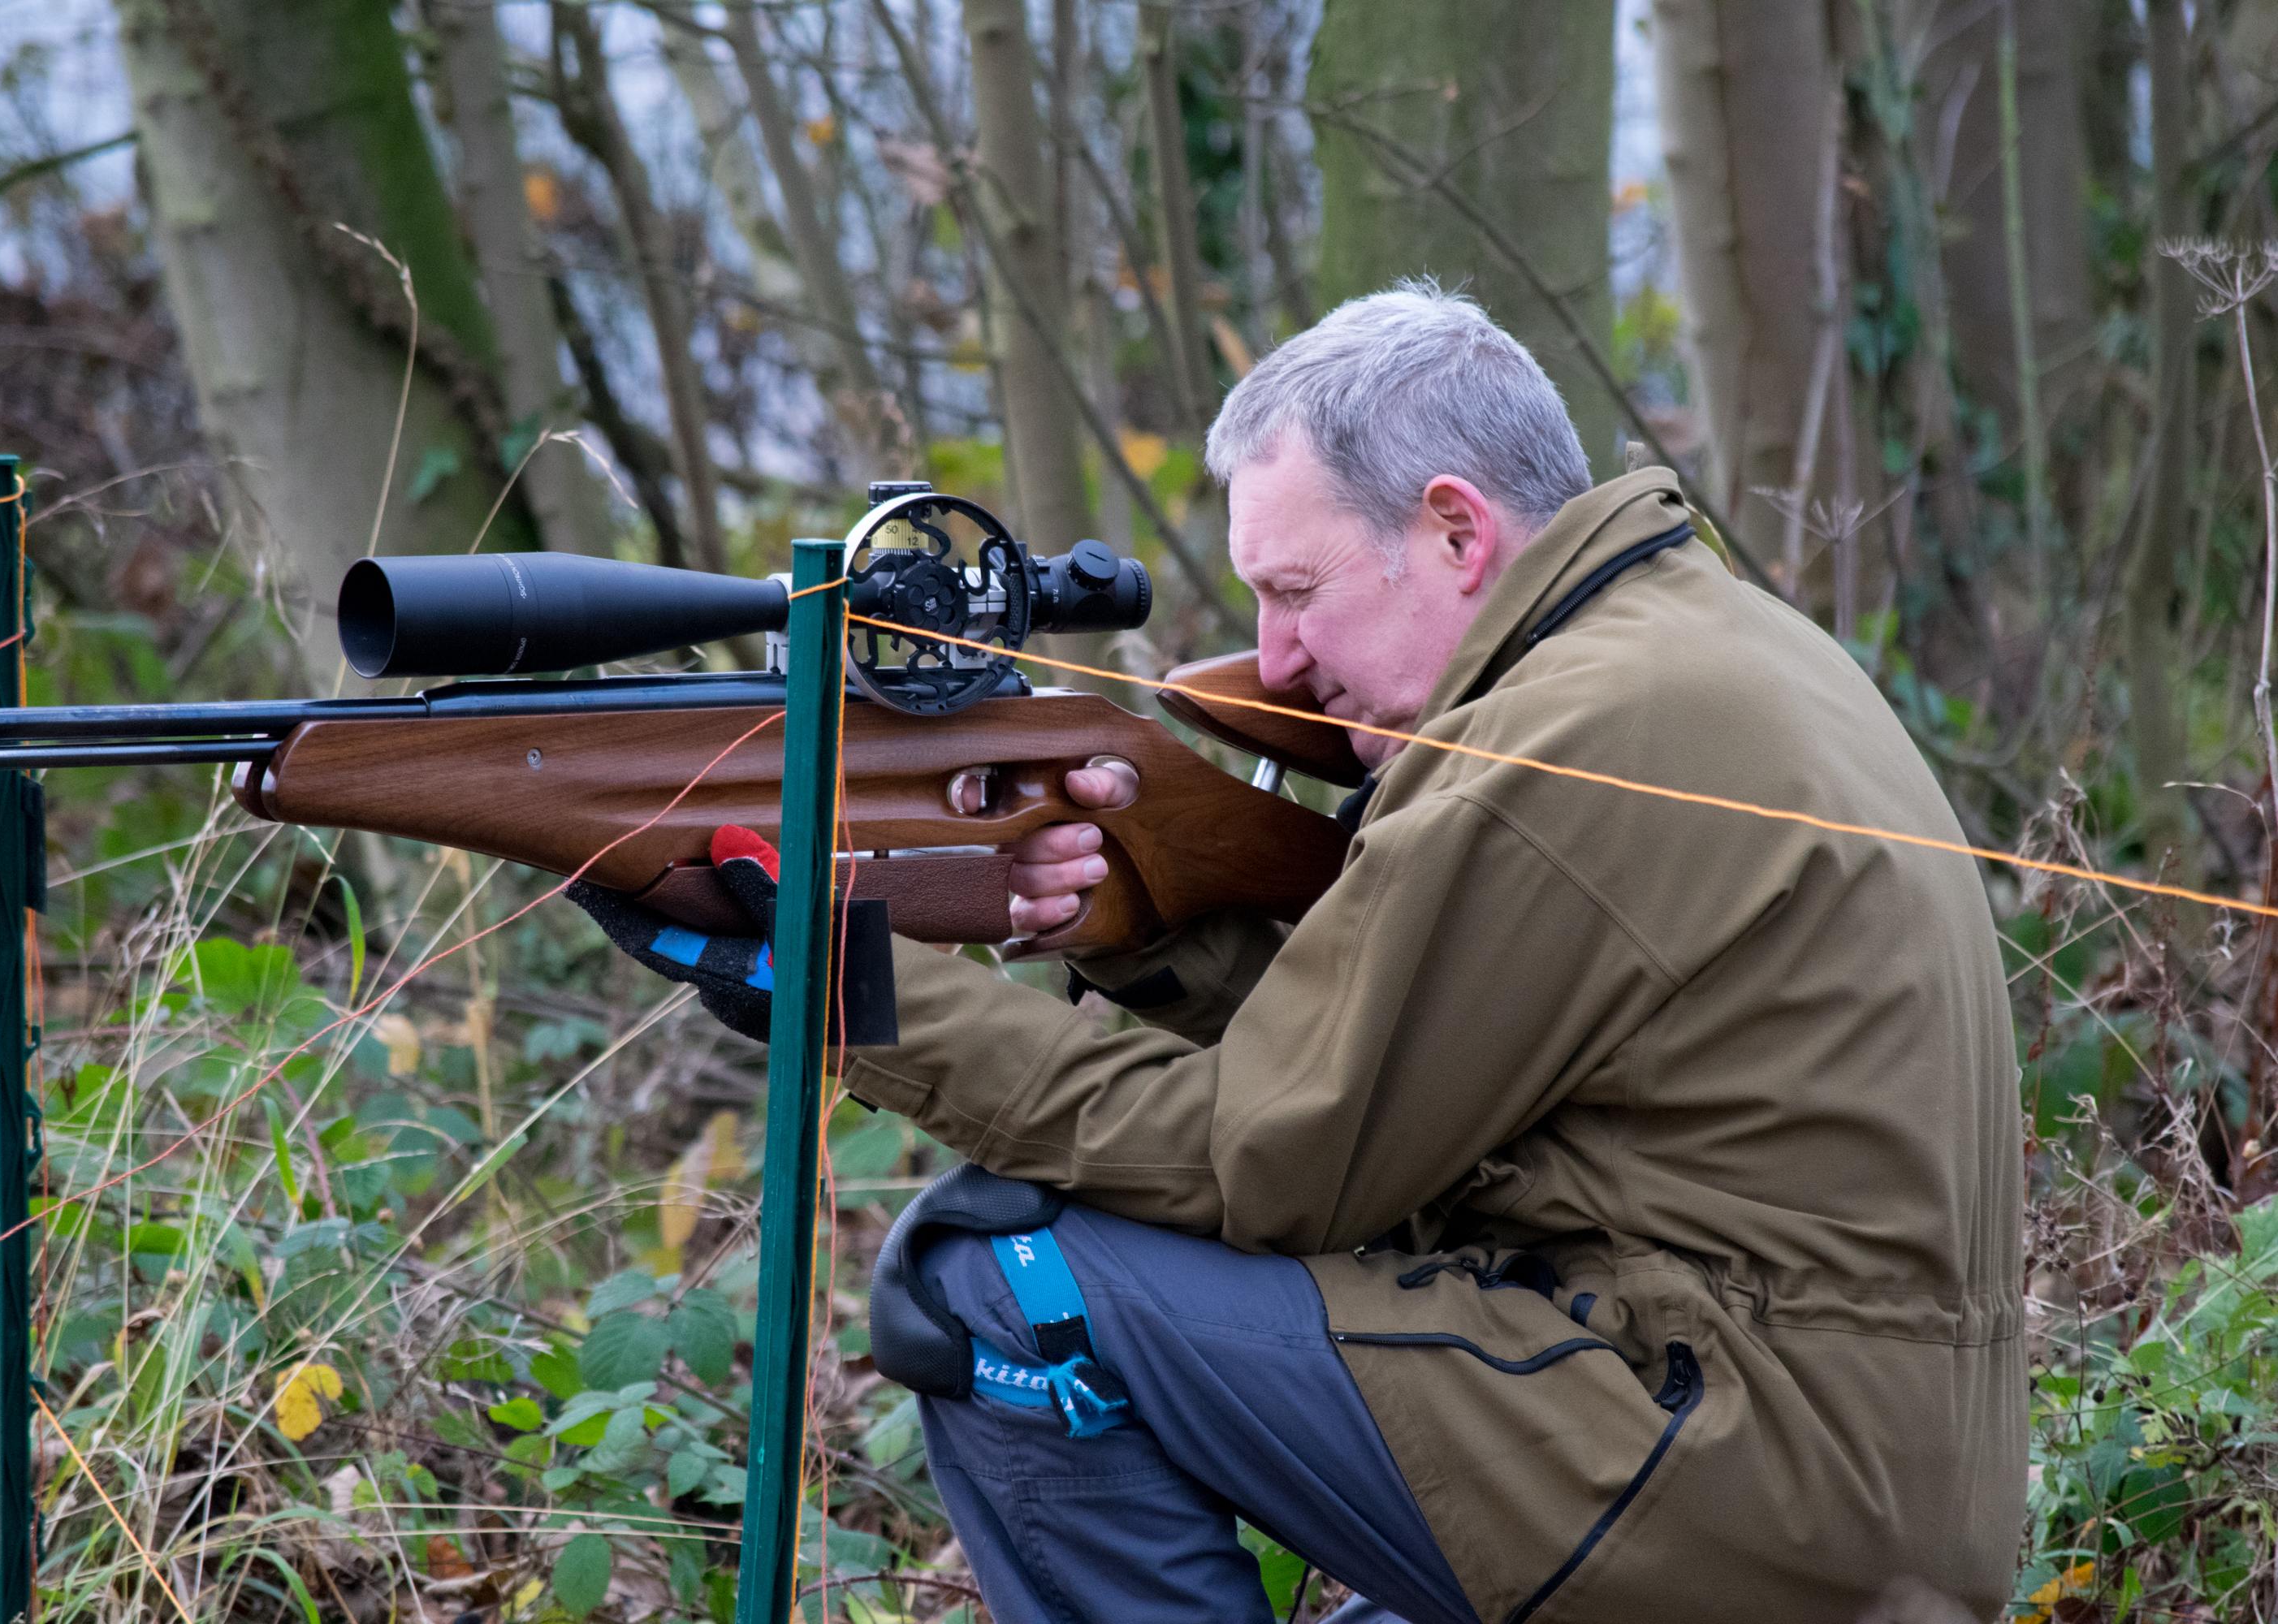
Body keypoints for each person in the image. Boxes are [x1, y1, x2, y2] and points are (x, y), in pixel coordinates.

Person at [586, 282, 2025, 1623]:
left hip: (1741, 1469)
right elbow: (1434, 1078)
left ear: (1455, 532)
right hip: (1840, 1472)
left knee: (993, 1276)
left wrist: (846, 991)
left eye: (1294, 591)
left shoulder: (1569, 740)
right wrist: (1142, 931)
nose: (1275, 662)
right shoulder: (1703, 649)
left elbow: (1268, 1167)